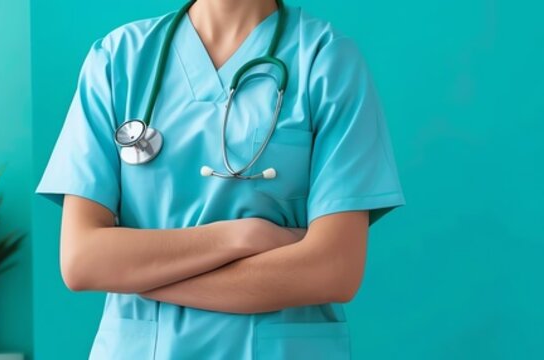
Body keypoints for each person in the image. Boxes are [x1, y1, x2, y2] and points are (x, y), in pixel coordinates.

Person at [36, 0, 405, 358]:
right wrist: (244, 236)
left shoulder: (326, 60)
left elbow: (333, 271)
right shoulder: (119, 60)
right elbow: (82, 260)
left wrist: (139, 275)